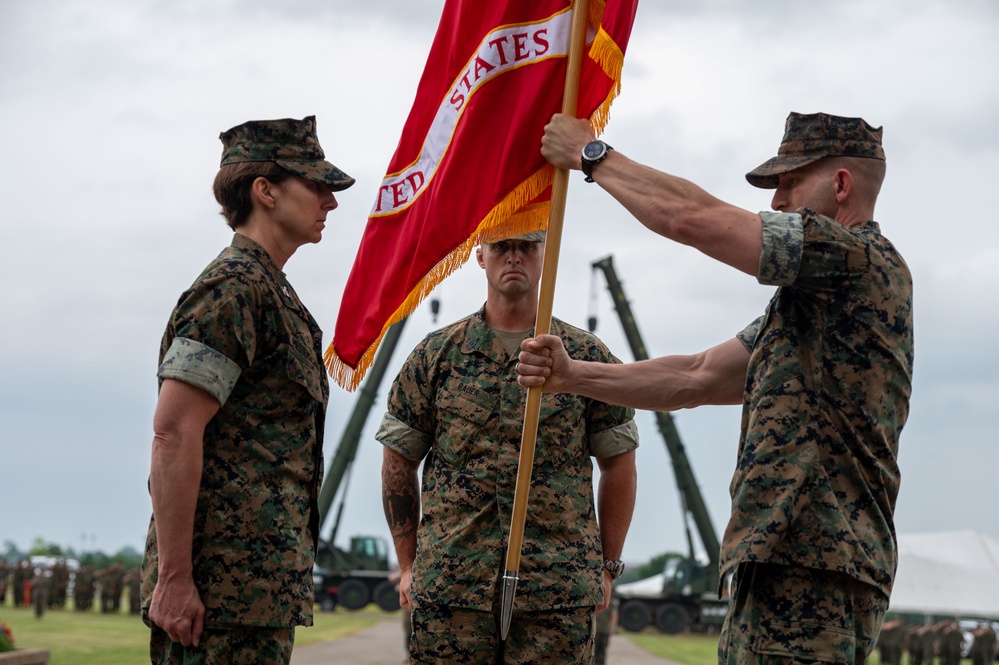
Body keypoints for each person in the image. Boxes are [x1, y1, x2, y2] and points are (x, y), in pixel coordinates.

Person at [518, 111, 914, 665]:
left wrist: (592, 157)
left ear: (841, 184)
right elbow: (695, 376)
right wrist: (574, 377)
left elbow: (691, 218)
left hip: (815, 566)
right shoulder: (812, 307)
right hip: (788, 563)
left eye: (790, 181)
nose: (777, 201)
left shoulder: (856, 260)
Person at [140, 115, 354, 665]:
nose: (329, 201)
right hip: (215, 595)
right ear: (265, 191)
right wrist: (175, 579)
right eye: (315, 185)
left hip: (256, 591)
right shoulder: (233, 289)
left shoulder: (271, 292)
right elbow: (173, 431)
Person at [377, 229, 640, 664]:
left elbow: (620, 464)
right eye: (501, 246)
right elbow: (397, 462)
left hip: (555, 592)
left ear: (545, 256)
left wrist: (608, 566)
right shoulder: (436, 357)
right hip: (453, 588)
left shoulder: (585, 357)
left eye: (527, 246)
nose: (513, 257)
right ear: (480, 256)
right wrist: (408, 566)